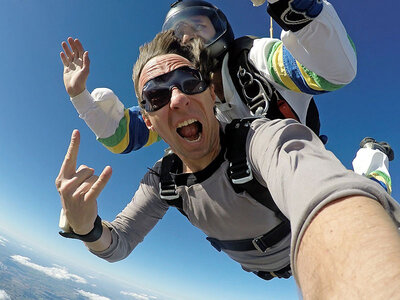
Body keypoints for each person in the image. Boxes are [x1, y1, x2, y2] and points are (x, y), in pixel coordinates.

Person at [56, 30, 400, 299]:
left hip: (300, 251)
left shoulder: (261, 141)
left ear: (210, 94)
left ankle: (373, 157)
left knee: (371, 190)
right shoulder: (165, 181)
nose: (177, 98)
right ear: (147, 120)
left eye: (189, 82)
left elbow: (326, 196)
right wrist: (88, 229)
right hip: (271, 265)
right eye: (157, 95)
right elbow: (117, 244)